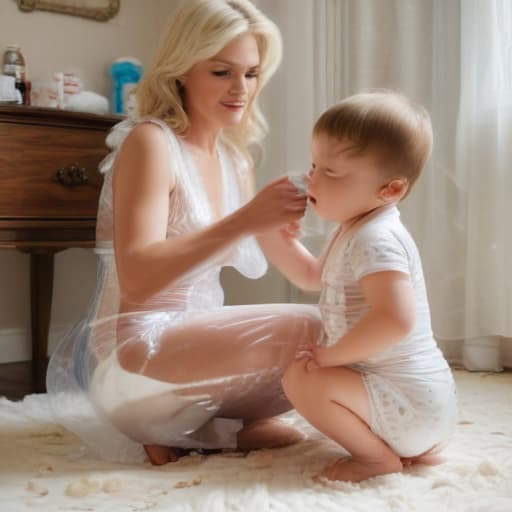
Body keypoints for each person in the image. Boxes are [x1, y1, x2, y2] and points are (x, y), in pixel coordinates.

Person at [46, 0, 323, 466]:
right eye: (221, 72)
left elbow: (309, 277)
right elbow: (137, 280)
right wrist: (246, 219)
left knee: (333, 328)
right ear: (182, 71)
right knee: (308, 328)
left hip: (190, 351)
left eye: (251, 73)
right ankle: (167, 422)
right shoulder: (151, 143)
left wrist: (365, 223)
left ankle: (204, 431)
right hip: (134, 357)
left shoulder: (237, 160)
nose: (241, 88)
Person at [259, 91, 458, 482]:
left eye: (331, 172)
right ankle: (403, 448)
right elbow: (312, 277)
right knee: (308, 371)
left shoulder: (377, 238)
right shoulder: (354, 229)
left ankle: (375, 459)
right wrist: (274, 237)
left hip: (412, 404)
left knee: (302, 378)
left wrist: (333, 356)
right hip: (424, 410)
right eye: (315, 164)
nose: (312, 177)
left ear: (391, 189)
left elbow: (396, 319)